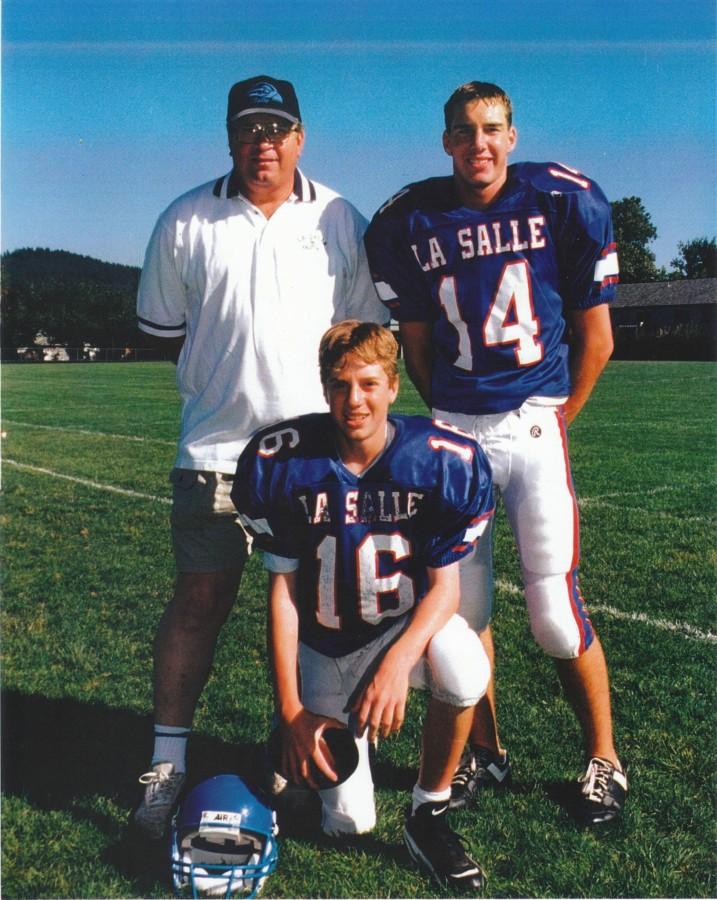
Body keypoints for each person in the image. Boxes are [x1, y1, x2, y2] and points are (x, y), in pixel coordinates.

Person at [364, 81, 626, 827]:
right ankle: (486, 749)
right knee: (463, 612)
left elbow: (596, 338)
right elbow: (416, 348)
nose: (476, 144)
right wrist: (453, 417)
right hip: (455, 431)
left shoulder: (559, 200)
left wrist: (551, 416)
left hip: (531, 424)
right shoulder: (409, 220)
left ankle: (603, 757)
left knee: (551, 611)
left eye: (490, 130)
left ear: (510, 136)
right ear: (444, 141)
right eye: (461, 132)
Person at [133, 75, 387, 839]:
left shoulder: (341, 216)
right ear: (230, 139)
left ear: (300, 138)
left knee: (322, 615)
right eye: (249, 130)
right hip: (214, 449)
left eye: (277, 129)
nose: (263, 143)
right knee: (200, 601)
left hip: (316, 457)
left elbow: (364, 333)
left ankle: (302, 751)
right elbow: (162, 331)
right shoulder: (186, 218)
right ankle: (166, 764)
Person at [232, 320, 494, 892]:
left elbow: (445, 590)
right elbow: (282, 598)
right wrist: (292, 712)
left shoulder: (439, 458)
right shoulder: (284, 462)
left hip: (398, 629)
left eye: (369, 384)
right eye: (341, 385)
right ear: (325, 390)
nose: (355, 400)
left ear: (394, 386)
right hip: (324, 645)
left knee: (466, 663)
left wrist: (398, 664)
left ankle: (429, 812)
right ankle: (286, 747)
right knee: (350, 824)